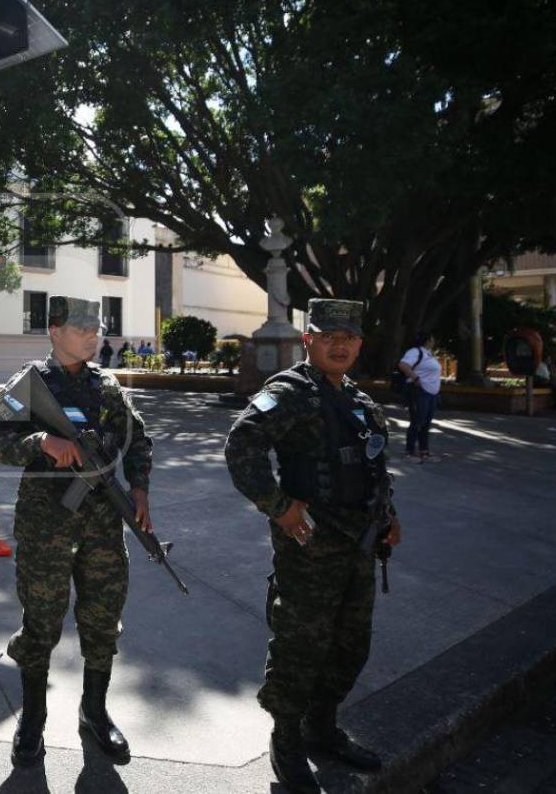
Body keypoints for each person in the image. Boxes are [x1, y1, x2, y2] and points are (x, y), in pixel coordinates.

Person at [224, 299, 401, 793]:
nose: (339, 345)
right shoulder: (289, 392)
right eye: (328, 337)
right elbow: (241, 446)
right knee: (301, 646)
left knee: (351, 644)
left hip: (359, 545)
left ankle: (322, 728)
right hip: (310, 545)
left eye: (349, 338)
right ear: (309, 340)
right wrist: (278, 506)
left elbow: (372, 466)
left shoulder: (359, 400)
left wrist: (388, 516)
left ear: (360, 344)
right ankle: (286, 740)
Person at [0, 296, 153, 769]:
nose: (92, 336)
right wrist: (42, 441)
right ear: (54, 332)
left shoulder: (108, 386)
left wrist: (139, 489)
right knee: (41, 620)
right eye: (81, 329)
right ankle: (32, 720)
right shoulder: (29, 383)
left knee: (103, 618)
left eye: (96, 329)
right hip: (47, 525)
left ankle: (94, 712)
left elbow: (137, 439)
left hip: (103, 525)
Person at [398, 331, 442, 463]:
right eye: (432, 339)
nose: (434, 342)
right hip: (419, 392)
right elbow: (403, 365)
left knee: (426, 423)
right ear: (427, 340)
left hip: (431, 393)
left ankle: (424, 451)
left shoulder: (428, 353)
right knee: (417, 422)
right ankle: (409, 452)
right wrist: (415, 378)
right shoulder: (415, 352)